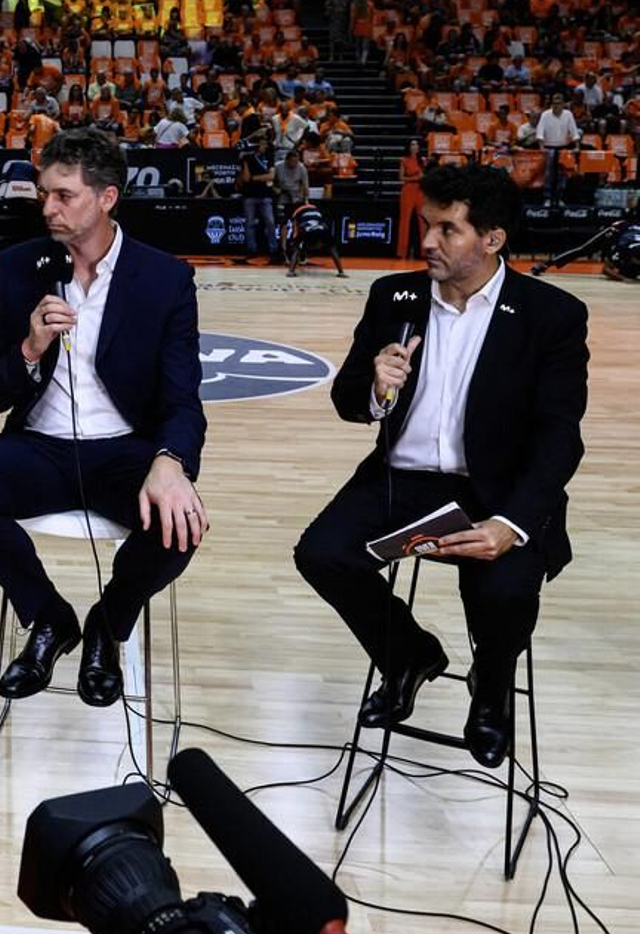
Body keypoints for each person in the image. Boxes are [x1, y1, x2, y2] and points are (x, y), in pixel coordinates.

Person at [294, 164, 587, 769]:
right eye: (426, 226)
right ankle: (408, 654)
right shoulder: (392, 296)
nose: (427, 241)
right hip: (403, 480)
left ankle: (493, 685)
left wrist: (513, 524)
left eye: (447, 230)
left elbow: (560, 440)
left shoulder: (550, 315)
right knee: (320, 553)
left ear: (492, 239)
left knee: (504, 590)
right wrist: (376, 388)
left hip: (499, 491)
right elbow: (348, 402)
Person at [0, 127, 208, 709]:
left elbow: (184, 400)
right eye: (44, 194)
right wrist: (30, 349)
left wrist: (169, 461)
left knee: (180, 525)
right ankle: (50, 618)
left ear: (107, 198)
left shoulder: (164, 278)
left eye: (64, 195)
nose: (48, 207)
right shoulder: (17, 267)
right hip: (40, 445)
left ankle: (109, 622)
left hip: (125, 449)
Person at [236, 135, 278, 264]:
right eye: (262, 144)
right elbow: (246, 178)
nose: (264, 146)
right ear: (256, 146)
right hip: (250, 195)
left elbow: (271, 176)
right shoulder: (248, 158)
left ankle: (273, 249)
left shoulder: (269, 157)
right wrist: (245, 162)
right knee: (249, 223)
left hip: (265, 195)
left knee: (270, 222)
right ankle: (251, 249)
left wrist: (255, 178)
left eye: (266, 144)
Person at [534, 92, 580, 206]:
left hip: (563, 148)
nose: (556, 106)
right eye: (554, 103)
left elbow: (574, 132)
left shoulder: (568, 114)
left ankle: (559, 198)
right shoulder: (545, 115)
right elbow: (540, 133)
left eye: (559, 103)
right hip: (549, 148)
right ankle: (547, 198)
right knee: (549, 173)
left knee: (562, 174)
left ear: (563, 104)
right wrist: (541, 148)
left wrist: (577, 147)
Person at [396, 137, 424, 259]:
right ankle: (401, 252)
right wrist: (416, 178)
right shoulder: (404, 160)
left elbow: (425, 176)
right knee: (404, 221)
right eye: (412, 144)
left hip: (420, 191)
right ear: (409, 147)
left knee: (423, 222)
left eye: (416, 145)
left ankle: (424, 252)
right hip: (408, 190)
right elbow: (401, 178)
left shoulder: (422, 160)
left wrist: (420, 178)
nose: (415, 147)